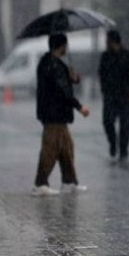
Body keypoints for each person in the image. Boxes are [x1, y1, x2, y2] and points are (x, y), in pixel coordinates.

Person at [33, 33, 90, 196]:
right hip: (54, 114)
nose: (67, 48)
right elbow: (63, 91)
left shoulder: (51, 63)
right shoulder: (53, 65)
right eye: (66, 44)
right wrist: (80, 107)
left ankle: (69, 181)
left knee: (66, 148)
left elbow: (63, 83)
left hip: (55, 114)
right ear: (61, 46)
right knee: (50, 149)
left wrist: (73, 77)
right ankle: (40, 183)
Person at [98, 30, 129, 162]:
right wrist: (103, 90)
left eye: (107, 40)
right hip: (110, 95)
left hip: (126, 96)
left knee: (125, 125)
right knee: (107, 121)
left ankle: (123, 150)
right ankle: (113, 143)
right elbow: (101, 75)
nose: (105, 43)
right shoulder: (105, 57)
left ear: (112, 41)